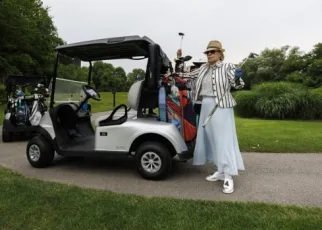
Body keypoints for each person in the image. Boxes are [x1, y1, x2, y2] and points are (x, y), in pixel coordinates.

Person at [187, 40, 245, 194]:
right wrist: (176, 65)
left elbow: (238, 84)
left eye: (213, 52)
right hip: (205, 104)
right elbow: (185, 75)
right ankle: (220, 170)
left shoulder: (228, 67)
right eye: (207, 52)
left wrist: (238, 78)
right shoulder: (202, 69)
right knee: (212, 139)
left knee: (223, 140)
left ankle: (228, 176)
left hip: (221, 106)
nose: (209, 54)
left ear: (220, 53)